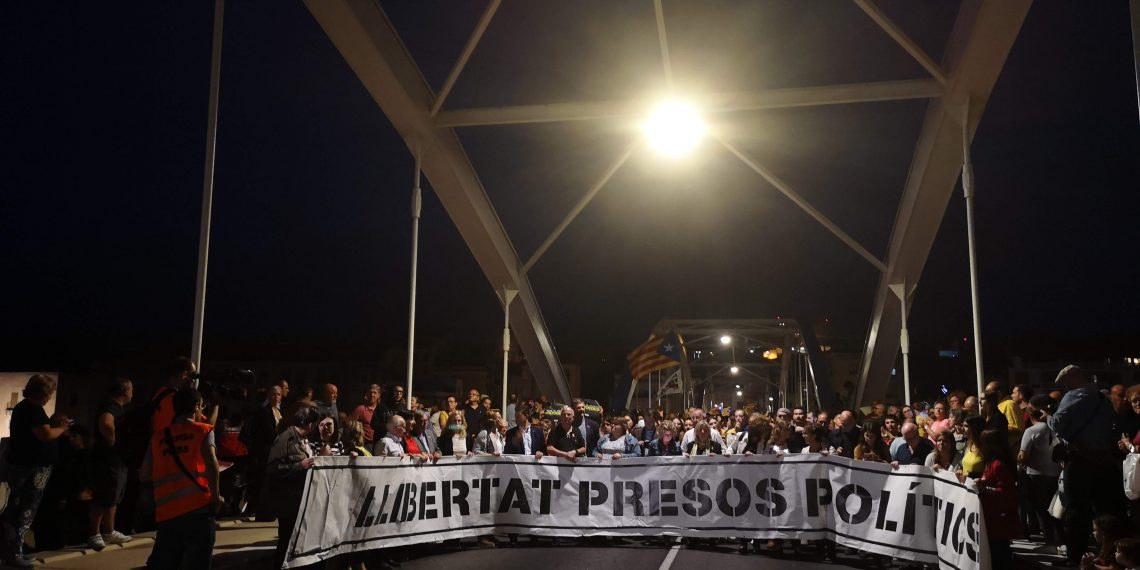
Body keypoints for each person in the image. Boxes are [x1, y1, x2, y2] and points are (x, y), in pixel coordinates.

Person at [1051, 365, 1126, 567]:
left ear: (1073, 378)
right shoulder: (1103, 398)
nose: (1065, 386)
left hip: (1079, 460)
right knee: (1104, 510)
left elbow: (1057, 424)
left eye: (1065, 382)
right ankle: (1109, 555)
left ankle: (1075, 556)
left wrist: (1050, 417)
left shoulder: (1074, 396)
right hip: (1103, 461)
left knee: (1076, 510)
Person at [142, 388, 221, 570]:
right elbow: (212, 463)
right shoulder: (203, 430)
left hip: (167, 514)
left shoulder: (158, 437)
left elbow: (145, 473)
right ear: (196, 406)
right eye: (202, 406)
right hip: (199, 510)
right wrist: (216, 496)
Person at [1, 375, 69, 568]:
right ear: (43, 392)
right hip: (29, 471)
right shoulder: (33, 410)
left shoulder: (24, 408)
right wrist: (62, 428)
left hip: (23, 468)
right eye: (49, 393)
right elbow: (45, 435)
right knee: (23, 512)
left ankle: (12, 551)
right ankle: (13, 553)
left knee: (16, 511)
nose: (50, 397)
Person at [267, 407, 320, 570]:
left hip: (299, 500)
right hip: (288, 502)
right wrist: (299, 466)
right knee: (285, 541)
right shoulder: (285, 438)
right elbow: (272, 469)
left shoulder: (302, 440)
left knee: (295, 541)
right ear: (310, 424)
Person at [87, 377, 135, 549]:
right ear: (124, 391)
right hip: (109, 459)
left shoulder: (115, 407)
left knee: (112, 496)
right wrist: (111, 440)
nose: (132, 393)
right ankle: (94, 534)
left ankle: (109, 531)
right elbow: (106, 423)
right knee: (104, 495)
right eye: (131, 390)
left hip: (115, 459)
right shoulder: (111, 406)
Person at [1020, 393, 1063, 551]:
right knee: (1056, 510)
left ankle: (1050, 542)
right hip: (1056, 473)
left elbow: (1023, 456)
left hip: (1036, 476)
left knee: (1042, 511)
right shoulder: (1057, 427)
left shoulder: (1032, 431)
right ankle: (1060, 541)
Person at [972, 428, 1021, 567]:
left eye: (982, 443)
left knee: (1000, 557)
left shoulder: (998, 466)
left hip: (999, 523)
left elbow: (1006, 492)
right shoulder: (989, 464)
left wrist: (984, 488)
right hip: (990, 521)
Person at [247, 384, 282, 521]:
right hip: (264, 452)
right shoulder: (263, 411)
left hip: (276, 451)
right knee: (261, 481)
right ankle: (255, 509)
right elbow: (268, 433)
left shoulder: (279, 411)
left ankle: (269, 509)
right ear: (268, 395)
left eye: (278, 394)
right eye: (273, 394)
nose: (276, 397)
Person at [959, 415, 987, 479]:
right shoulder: (969, 445)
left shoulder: (985, 449)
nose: (962, 428)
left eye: (966, 426)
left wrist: (970, 475)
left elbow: (989, 473)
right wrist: (960, 469)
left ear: (975, 428)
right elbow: (965, 465)